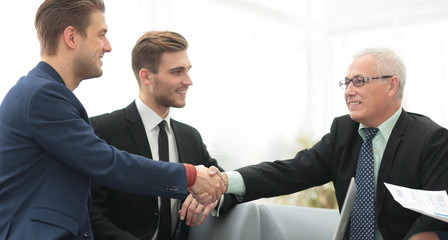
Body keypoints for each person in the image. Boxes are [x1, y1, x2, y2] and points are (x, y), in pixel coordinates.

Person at [0, 1, 224, 239]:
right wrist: (188, 176)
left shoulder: (43, 94)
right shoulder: (42, 95)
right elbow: (108, 163)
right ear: (72, 37)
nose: (108, 46)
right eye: (101, 35)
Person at [214, 48, 448, 239]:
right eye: (346, 83)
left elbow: (434, 218)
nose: (349, 91)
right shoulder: (343, 132)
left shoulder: (432, 140)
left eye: (359, 81)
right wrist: (225, 182)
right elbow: (290, 172)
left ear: (391, 86)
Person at [89, 31, 235, 240]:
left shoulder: (190, 137)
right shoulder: (103, 130)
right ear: (146, 76)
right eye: (177, 72)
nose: (188, 81)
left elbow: (227, 185)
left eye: (188, 70)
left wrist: (211, 196)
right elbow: (92, 214)